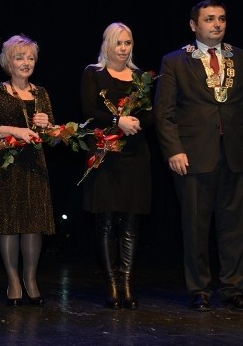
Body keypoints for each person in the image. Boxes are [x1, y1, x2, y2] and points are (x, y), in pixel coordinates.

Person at [154, 0, 243, 313]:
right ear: (194, 25)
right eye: (209, 19)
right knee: (195, 225)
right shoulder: (175, 61)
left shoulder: (241, 58)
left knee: (234, 227)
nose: (217, 24)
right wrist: (173, 149)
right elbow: (164, 113)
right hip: (193, 155)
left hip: (233, 154)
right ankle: (199, 290)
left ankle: (233, 289)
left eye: (221, 19)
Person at [80, 22, 153, 310]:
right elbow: (88, 110)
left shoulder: (139, 77)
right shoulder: (93, 73)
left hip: (135, 155)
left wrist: (136, 122)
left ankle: (126, 282)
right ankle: (111, 283)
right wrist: (116, 121)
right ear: (107, 44)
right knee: (107, 221)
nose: (123, 49)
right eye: (118, 43)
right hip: (105, 154)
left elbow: (150, 114)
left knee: (131, 223)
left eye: (128, 43)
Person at [0, 34, 55, 307]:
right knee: (9, 225)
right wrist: (15, 131)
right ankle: (12, 281)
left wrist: (46, 126)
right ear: (7, 62)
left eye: (30, 58)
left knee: (33, 224)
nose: (25, 62)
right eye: (19, 57)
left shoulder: (41, 92)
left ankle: (30, 279)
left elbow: (53, 135)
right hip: (3, 165)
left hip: (33, 164)